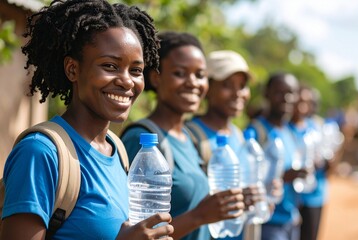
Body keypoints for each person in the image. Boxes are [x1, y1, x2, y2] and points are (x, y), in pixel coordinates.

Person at [0, 1, 174, 239]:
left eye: (136, 70)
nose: (127, 81)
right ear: (72, 69)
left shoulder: (118, 151)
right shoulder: (40, 152)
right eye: (110, 66)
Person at [120, 31, 245, 240]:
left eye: (200, 75)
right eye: (180, 73)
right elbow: (137, 234)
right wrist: (198, 216)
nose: (193, 83)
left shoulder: (191, 137)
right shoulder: (142, 140)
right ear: (156, 78)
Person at [185, 50, 266, 240]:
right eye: (227, 85)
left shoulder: (239, 136)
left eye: (243, 86)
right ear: (207, 87)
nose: (238, 93)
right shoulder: (190, 135)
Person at [247, 72, 305, 240]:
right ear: (267, 94)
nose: (286, 98)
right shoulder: (256, 133)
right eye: (279, 92)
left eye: (291, 93)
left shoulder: (289, 131)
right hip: (268, 224)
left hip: (290, 221)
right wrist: (282, 177)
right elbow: (247, 178)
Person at [288, 85, 328, 240]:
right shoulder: (284, 128)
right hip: (291, 198)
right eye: (298, 100)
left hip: (313, 195)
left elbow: (326, 157)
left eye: (306, 101)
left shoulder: (316, 129)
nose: (301, 105)